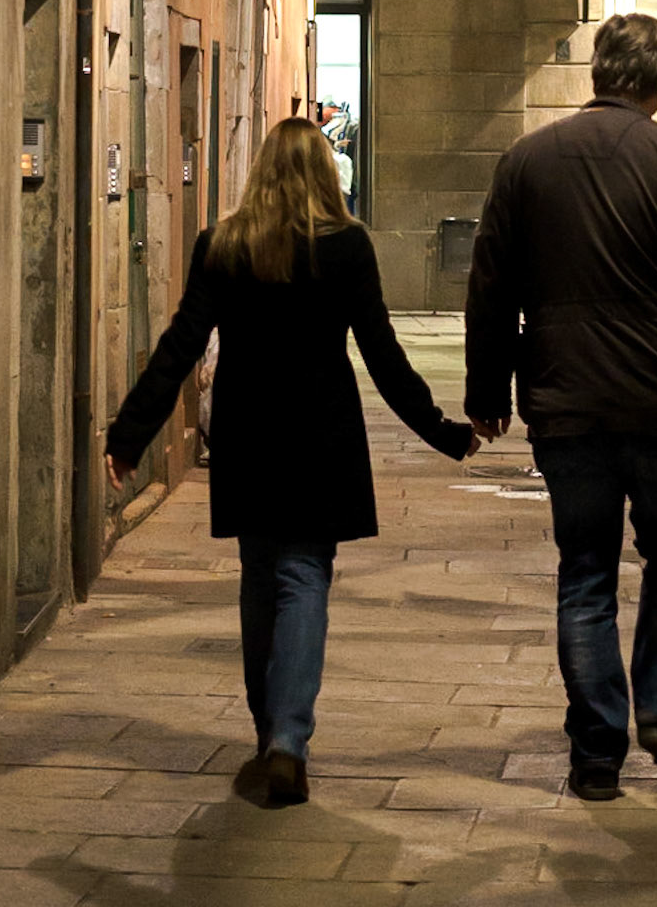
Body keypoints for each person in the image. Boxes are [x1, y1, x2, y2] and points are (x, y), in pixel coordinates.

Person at [105, 117, 474, 806]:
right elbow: (382, 352)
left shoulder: (222, 245)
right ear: (324, 174)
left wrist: (129, 436)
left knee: (258, 573)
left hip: (248, 432)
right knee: (305, 575)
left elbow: (180, 345)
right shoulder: (348, 248)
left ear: (262, 171)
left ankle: (265, 726)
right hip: (320, 432)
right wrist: (440, 431)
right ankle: (287, 740)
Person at [464, 12, 657, 803]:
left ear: (597, 73)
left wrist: (486, 394)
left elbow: (489, 289)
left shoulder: (526, 162)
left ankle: (596, 749)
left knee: (584, 571)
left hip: (565, 402)